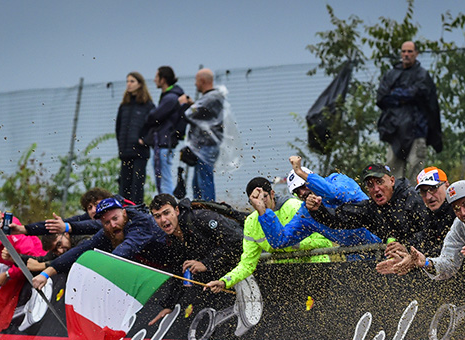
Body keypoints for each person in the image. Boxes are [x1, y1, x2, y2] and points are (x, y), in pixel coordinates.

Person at [207, 177, 333, 294]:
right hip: (287, 279)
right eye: (254, 199)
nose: (260, 202)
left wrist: (291, 245)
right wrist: (224, 281)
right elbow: (247, 264)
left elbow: (325, 242)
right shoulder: (251, 222)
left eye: (264, 197)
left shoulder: (295, 207)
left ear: (272, 194)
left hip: (316, 271)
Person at [147, 193, 243, 324]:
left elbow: (238, 241)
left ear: (176, 211)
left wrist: (206, 263)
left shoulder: (200, 218)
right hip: (221, 282)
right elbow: (179, 271)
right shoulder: (172, 239)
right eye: (157, 216)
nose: (163, 220)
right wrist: (169, 305)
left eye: (166, 213)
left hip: (249, 265)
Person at [32, 196, 166, 287]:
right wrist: (46, 273)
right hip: (155, 272)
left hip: (171, 264)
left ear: (124, 213)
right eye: (107, 222)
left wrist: (97, 272)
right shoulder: (108, 232)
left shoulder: (140, 223)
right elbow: (82, 249)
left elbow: (124, 250)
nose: (112, 225)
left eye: (115, 218)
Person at [305, 163, 437, 253]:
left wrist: (406, 246)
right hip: (398, 264)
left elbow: (430, 231)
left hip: (430, 260)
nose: (376, 189)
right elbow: (338, 219)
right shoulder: (370, 209)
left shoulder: (412, 198)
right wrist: (317, 209)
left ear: (392, 181)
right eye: (370, 185)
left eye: (380, 182)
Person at [259, 159, 380, 250]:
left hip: (383, 245)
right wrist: (263, 211)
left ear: (311, 178)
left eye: (303, 186)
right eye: (297, 192)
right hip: (356, 256)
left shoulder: (337, 179)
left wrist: (300, 172)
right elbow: (280, 241)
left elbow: (334, 194)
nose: (302, 193)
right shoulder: (306, 213)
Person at [376, 40, 442, 179]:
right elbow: (381, 97)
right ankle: (396, 195)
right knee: (393, 172)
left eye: (410, 51)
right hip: (394, 131)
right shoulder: (391, 74)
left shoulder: (422, 75)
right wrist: (406, 96)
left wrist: (395, 93)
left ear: (416, 53)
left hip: (417, 131)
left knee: (415, 171)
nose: (406, 54)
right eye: (404, 51)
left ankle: (415, 195)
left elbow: (420, 94)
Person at [178, 69, 227, 201]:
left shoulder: (211, 97)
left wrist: (183, 104)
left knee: (204, 181)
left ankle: (209, 208)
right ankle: (200, 207)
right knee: (197, 182)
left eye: (196, 81)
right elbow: (201, 113)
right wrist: (192, 104)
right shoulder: (211, 97)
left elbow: (189, 115)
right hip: (203, 146)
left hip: (207, 146)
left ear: (203, 81)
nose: (195, 84)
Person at [139, 66, 186, 195]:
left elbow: (153, 116)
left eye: (156, 77)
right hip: (164, 143)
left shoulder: (170, 98)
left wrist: (149, 116)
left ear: (163, 79)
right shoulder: (171, 96)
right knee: (163, 176)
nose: (154, 80)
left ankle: (167, 202)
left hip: (164, 143)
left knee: (164, 178)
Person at [116, 72, 155, 204]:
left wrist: (145, 140)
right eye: (127, 81)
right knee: (124, 186)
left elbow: (154, 127)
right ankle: (124, 211)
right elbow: (118, 128)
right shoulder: (124, 106)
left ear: (140, 84)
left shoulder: (148, 105)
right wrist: (121, 147)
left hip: (140, 153)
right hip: (125, 153)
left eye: (132, 81)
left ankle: (137, 212)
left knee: (137, 186)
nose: (129, 84)